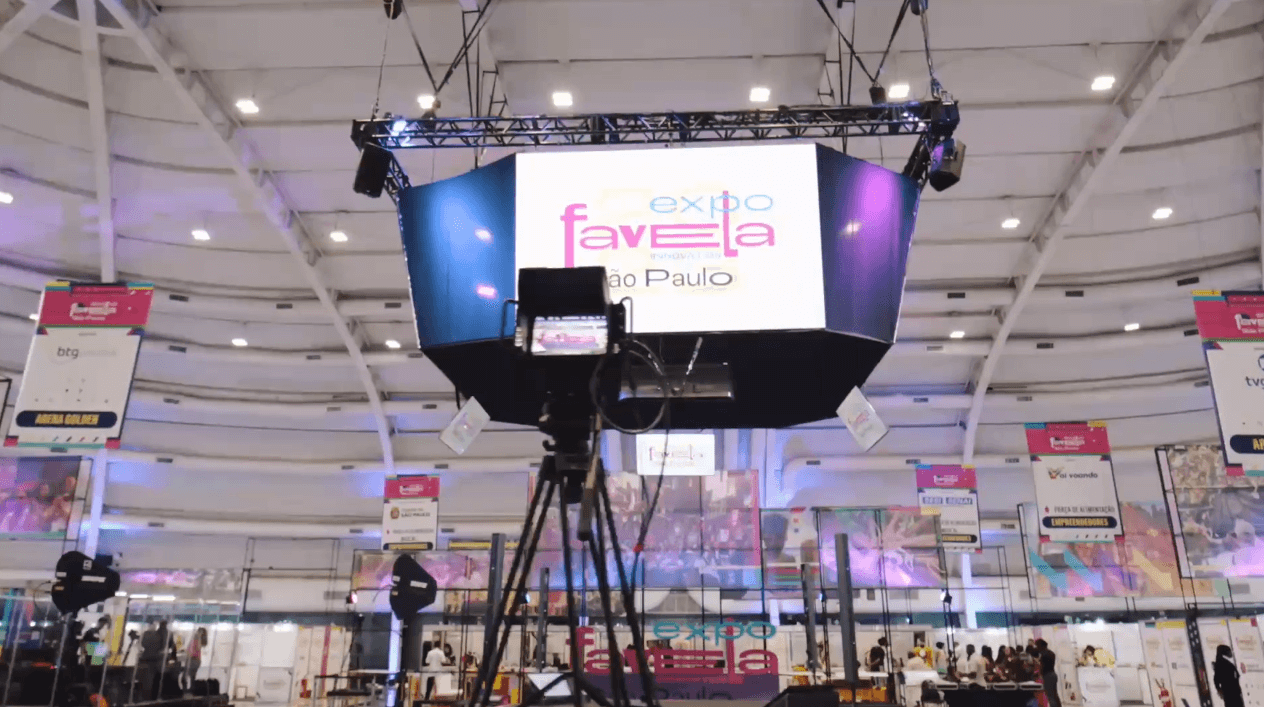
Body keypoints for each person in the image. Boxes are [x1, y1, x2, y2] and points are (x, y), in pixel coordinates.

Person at [1036, 639, 1060, 707]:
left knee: (1050, 696)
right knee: (1055, 695)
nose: (1037, 648)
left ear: (1041, 646)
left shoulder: (1043, 655)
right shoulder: (1052, 653)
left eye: (1037, 646)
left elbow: (1042, 666)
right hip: (1053, 674)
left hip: (1047, 676)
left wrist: (1039, 674)